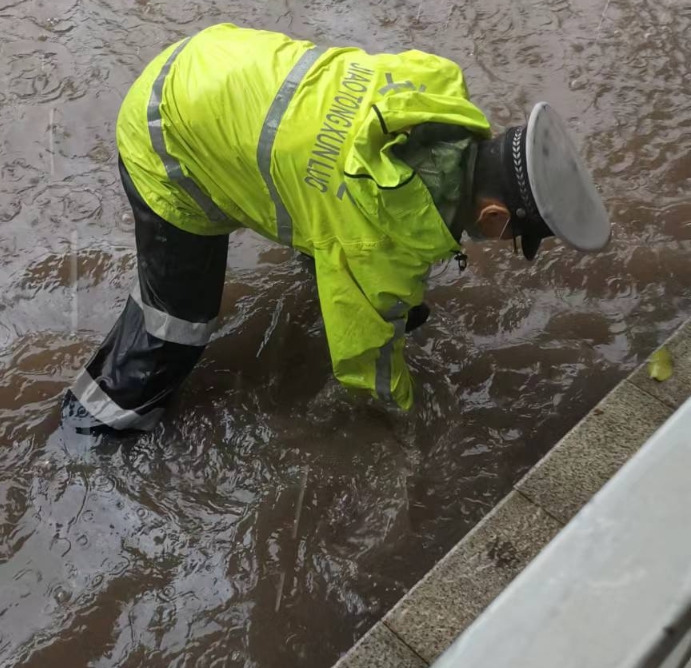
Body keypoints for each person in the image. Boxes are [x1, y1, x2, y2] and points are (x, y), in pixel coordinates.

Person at [62, 23, 610, 434]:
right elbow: (364, 366)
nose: (505, 243)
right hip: (166, 135)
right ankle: (95, 423)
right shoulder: (377, 240)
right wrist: (408, 418)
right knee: (177, 323)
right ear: (492, 216)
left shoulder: (436, 86)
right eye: (513, 237)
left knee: (327, 213)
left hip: (212, 62)